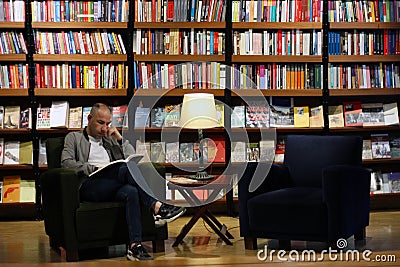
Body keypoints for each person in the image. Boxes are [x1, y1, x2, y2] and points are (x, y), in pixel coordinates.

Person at [61, 103, 185, 261]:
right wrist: (93, 168)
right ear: (89, 118)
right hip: (89, 185)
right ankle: (158, 207)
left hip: (112, 184)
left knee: (131, 190)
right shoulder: (74, 138)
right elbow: (66, 163)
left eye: (108, 124)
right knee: (125, 170)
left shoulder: (109, 140)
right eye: (100, 123)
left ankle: (135, 246)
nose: (104, 129)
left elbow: (131, 158)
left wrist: (120, 139)